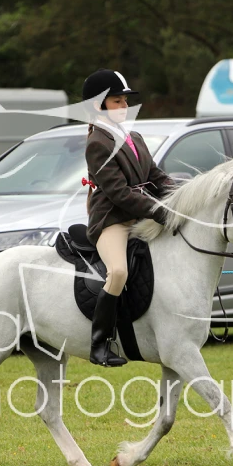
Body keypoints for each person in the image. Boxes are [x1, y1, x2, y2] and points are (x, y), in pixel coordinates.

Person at [82, 68, 174, 367]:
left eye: (125, 101)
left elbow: (156, 176)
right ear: (98, 105)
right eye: (117, 101)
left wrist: (181, 197)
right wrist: (160, 211)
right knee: (118, 272)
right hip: (113, 220)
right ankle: (99, 344)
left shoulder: (134, 137)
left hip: (139, 217)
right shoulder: (98, 143)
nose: (124, 106)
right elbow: (119, 193)